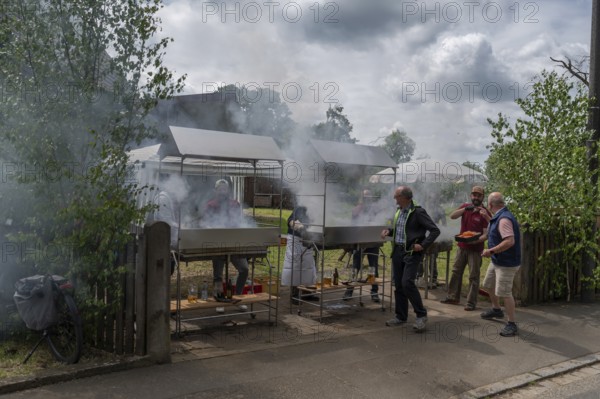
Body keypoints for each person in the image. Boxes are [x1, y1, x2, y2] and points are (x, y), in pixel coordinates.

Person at [382, 186, 440, 332]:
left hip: (411, 253)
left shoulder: (418, 212)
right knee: (399, 285)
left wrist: (423, 245)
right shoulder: (399, 211)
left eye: (396, 196)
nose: (395, 199)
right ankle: (401, 317)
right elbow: (401, 231)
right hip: (398, 251)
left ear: (405, 197)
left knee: (407, 282)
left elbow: (435, 230)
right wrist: (389, 231)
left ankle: (421, 315)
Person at [440, 186, 492, 311]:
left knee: (473, 276)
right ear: (471, 196)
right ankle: (452, 297)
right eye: (474, 195)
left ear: (482, 197)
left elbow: (487, 234)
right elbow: (452, 216)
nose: (476, 197)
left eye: (478, 195)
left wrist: (476, 240)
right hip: (462, 246)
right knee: (456, 271)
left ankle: (471, 302)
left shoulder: (484, 213)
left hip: (476, 249)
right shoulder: (465, 207)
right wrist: (464, 209)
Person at [203, 179, 249, 311]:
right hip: (217, 244)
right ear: (215, 190)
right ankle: (220, 301)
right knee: (218, 274)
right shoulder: (210, 205)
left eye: (225, 189)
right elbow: (207, 223)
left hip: (234, 243)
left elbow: (238, 221)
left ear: (228, 190)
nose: (223, 191)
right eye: (220, 189)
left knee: (244, 269)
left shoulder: (235, 204)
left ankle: (238, 297)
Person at [480, 192, 521, 337]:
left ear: (490, 205)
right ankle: (497, 310)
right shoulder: (499, 216)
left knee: (504, 292)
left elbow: (509, 241)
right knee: (488, 284)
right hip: (498, 260)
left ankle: (512, 324)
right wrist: (487, 218)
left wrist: (491, 251)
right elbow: (497, 229)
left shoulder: (504, 219)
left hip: (506, 263)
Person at [344, 189, 381, 302]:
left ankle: (374, 291)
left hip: (372, 242)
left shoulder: (375, 210)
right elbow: (353, 226)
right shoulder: (356, 210)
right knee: (355, 266)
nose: (367, 199)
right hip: (359, 242)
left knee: (373, 267)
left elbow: (378, 224)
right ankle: (349, 291)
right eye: (365, 197)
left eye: (369, 197)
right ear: (362, 198)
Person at [281, 206, 318, 304]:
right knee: (295, 267)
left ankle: (307, 293)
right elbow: (290, 220)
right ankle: (294, 295)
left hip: (307, 239)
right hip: (295, 239)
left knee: (308, 266)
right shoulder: (301, 207)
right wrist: (301, 228)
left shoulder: (317, 208)